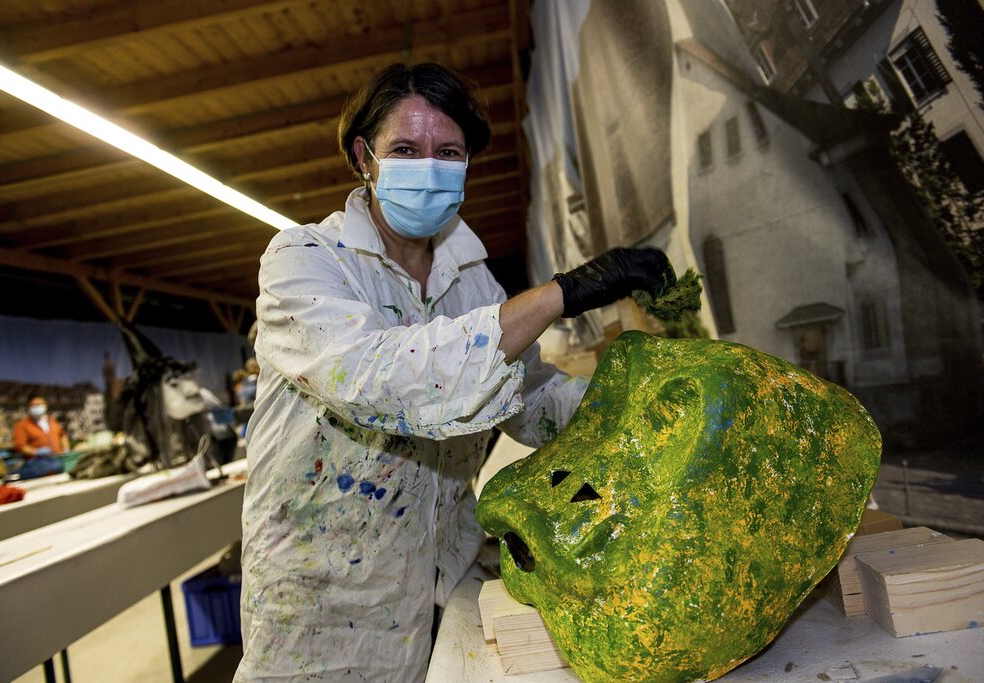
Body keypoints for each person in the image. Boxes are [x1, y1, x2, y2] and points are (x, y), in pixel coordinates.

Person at [236, 62, 677, 682]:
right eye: (405, 150)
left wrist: (648, 412)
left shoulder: (471, 282)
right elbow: (381, 379)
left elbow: (528, 393)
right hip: (323, 601)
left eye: (447, 152)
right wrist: (565, 293)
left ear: (467, 165)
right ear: (364, 157)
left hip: (441, 582)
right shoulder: (306, 262)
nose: (428, 167)